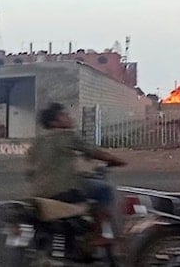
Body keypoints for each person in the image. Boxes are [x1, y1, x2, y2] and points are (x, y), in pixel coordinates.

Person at [27, 102, 127, 242]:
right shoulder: (67, 136)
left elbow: (30, 171)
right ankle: (99, 235)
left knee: (85, 185)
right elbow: (95, 152)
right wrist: (117, 160)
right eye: (64, 114)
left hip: (39, 193)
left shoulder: (37, 141)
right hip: (63, 191)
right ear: (54, 122)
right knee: (104, 190)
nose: (69, 117)